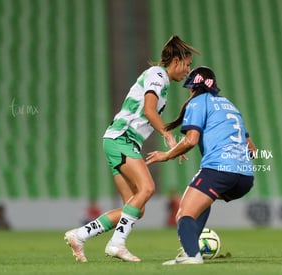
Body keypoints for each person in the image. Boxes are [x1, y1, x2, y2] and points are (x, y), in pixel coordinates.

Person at [64, 35, 200, 263]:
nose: (188, 70)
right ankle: (116, 244)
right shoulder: (158, 75)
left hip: (117, 140)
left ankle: (79, 235)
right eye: (186, 64)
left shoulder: (160, 81)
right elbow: (149, 110)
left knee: (136, 207)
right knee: (147, 188)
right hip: (122, 138)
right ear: (175, 61)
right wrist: (168, 136)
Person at [146, 66, 256, 265]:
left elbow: (190, 140)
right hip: (245, 177)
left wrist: (167, 155)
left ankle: (192, 256)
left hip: (218, 169)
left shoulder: (197, 102)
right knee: (204, 200)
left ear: (192, 87)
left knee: (184, 213)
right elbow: (252, 150)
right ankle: (192, 247)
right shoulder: (229, 105)